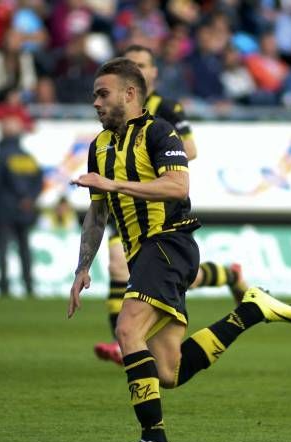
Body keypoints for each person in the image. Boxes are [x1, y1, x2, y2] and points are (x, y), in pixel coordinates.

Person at [67, 58, 291, 442]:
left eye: (102, 94)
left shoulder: (161, 132)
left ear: (130, 94)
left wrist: (114, 183)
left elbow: (178, 185)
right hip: (142, 253)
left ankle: (155, 440)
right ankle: (250, 310)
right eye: (94, 94)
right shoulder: (99, 147)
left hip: (168, 243)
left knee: (128, 329)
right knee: (169, 372)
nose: (95, 102)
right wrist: (82, 267)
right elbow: (98, 214)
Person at [93, 44, 248, 366]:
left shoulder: (166, 110)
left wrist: (155, 159)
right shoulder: (108, 125)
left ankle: (228, 277)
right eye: (131, 63)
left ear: (152, 74)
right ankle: (125, 340)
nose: (137, 68)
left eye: (143, 64)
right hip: (124, 207)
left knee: (167, 275)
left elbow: (189, 150)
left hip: (158, 203)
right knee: (118, 263)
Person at [0, 114, 43, 297]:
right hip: (24, 210)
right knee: (24, 249)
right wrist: (30, 198)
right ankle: (29, 286)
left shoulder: (2, 156)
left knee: (3, 249)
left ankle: (4, 287)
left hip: (4, 210)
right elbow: (39, 181)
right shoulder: (28, 158)